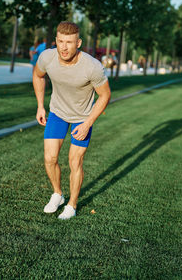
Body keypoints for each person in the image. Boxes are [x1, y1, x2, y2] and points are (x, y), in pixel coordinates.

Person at [33, 21, 111, 220]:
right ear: (56, 41)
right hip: (57, 113)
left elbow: (105, 95)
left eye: (69, 42)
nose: (64, 47)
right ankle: (58, 194)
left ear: (79, 43)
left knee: (75, 161)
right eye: (60, 41)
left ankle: (72, 205)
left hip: (82, 117)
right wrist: (41, 105)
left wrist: (88, 123)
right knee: (50, 158)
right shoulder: (47, 57)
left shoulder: (92, 66)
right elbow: (38, 75)